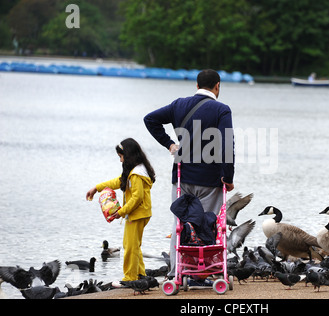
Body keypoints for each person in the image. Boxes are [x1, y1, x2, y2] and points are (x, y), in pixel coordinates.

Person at [143, 69, 235, 279]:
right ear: (217, 86)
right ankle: (202, 272)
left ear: (196, 85)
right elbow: (227, 145)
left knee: (179, 224)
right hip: (210, 179)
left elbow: (150, 120)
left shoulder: (178, 105)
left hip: (181, 176)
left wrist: (169, 144)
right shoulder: (222, 110)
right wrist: (228, 178)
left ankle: (177, 271)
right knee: (206, 224)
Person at [86, 138, 156, 284]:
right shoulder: (136, 170)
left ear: (128, 155)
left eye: (121, 157)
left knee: (129, 247)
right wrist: (97, 188)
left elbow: (137, 197)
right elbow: (118, 182)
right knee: (134, 245)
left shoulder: (136, 174)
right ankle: (140, 275)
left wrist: (121, 211)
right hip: (141, 213)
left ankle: (130, 278)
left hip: (137, 214)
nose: (120, 160)